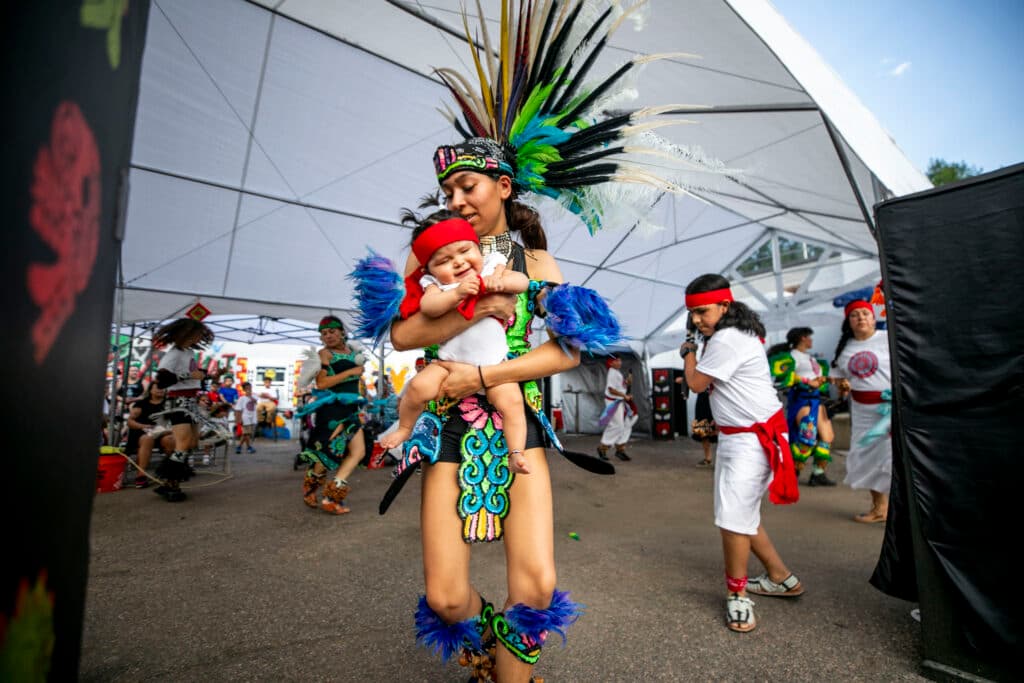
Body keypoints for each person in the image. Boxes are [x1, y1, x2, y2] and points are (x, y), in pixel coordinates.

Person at [679, 274, 802, 634]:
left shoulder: (728, 339)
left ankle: (737, 595)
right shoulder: (735, 335)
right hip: (744, 439)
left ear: (725, 306)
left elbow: (697, 383)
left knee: (733, 519)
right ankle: (781, 577)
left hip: (750, 441)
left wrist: (688, 354)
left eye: (702, 312)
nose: (698, 320)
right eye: (692, 315)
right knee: (743, 515)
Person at [378, 211, 531, 476]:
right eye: (445, 261)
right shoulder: (435, 284)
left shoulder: (490, 266)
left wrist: (500, 280)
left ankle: (516, 452)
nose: (459, 262)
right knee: (417, 387)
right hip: (448, 364)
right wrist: (458, 293)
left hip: (495, 365)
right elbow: (429, 307)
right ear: (430, 270)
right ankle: (404, 427)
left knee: (512, 404)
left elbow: (523, 282)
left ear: (476, 247)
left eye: (464, 251)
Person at [297, 316, 368, 515]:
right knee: (328, 455)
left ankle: (331, 496)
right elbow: (322, 384)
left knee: (358, 452)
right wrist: (350, 372)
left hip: (352, 408)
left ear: (342, 332)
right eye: (324, 333)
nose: (327, 336)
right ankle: (311, 487)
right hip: (333, 411)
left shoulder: (354, 352)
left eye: (332, 331)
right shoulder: (325, 354)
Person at [830, 300, 892, 523]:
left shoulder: (888, 338)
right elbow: (838, 377)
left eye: (865, 313)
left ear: (874, 318)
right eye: (855, 315)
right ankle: (879, 508)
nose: (861, 318)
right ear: (849, 321)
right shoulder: (844, 348)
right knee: (867, 457)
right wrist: (842, 385)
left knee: (894, 457)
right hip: (863, 412)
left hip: (892, 409)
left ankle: (906, 509)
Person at [150, 318, 214, 502]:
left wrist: (202, 375)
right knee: (184, 443)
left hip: (190, 401)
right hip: (178, 401)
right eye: (197, 334)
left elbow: (189, 375)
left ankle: (170, 478)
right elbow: (161, 379)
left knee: (191, 443)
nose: (199, 337)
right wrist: (189, 375)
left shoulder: (188, 351)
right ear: (186, 334)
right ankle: (171, 482)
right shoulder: (174, 353)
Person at [767, 327, 837, 486]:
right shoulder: (791, 356)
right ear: (802, 338)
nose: (811, 340)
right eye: (809, 337)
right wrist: (806, 382)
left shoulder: (810, 358)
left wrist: (828, 380)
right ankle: (792, 471)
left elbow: (815, 376)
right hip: (801, 400)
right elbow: (783, 376)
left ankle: (818, 473)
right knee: (807, 438)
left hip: (817, 400)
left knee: (827, 437)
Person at [124, 384, 175, 489]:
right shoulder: (142, 404)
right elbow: (130, 422)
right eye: (157, 387)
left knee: (170, 440)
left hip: (162, 433)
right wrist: (144, 426)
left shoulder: (169, 404)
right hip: (142, 432)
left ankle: (169, 472)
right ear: (150, 390)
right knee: (148, 439)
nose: (160, 389)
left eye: (162, 387)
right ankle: (141, 475)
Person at [597, 356, 637, 461]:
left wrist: (627, 381)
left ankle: (620, 449)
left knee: (628, 423)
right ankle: (603, 448)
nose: (620, 362)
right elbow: (611, 390)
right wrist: (625, 396)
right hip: (614, 403)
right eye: (617, 360)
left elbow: (621, 386)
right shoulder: (612, 373)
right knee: (617, 426)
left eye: (620, 360)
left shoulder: (617, 372)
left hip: (620, 402)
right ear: (610, 363)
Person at [233, 382, 258, 454]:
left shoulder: (254, 396)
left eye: (250, 388)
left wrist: (249, 396)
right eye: (247, 389)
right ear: (244, 390)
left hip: (252, 418)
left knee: (247, 434)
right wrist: (238, 419)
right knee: (246, 433)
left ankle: (242, 447)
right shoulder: (241, 398)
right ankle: (247, 447)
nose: (249, 390)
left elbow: (255, 401)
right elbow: (238, 409)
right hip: (245, 418)